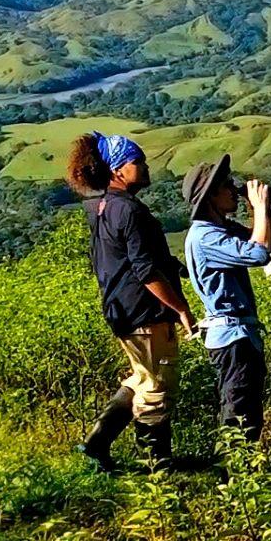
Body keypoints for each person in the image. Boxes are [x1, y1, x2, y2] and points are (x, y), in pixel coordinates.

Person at [66, 132, 194, 471]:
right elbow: (145, 268)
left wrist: (179, 270)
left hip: (119, 309)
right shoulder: (130, 211)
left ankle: (97, 442)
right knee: (156, 387)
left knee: (140, 376)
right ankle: (157, 465)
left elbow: (123, 259)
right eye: (137, 162)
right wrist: (180, 308)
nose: (145, 167)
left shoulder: (101, 208)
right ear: (117, 170)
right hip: (144, 311)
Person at [181, 155, 271, 445]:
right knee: (238, 411)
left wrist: (264, 213)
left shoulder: (221, 230)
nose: (233, 190)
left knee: (248, 408)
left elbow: (270, 246)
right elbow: (258, 254)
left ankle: (242, 472)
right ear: (211, 196)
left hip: (241, 335)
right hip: (231, 338)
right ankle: (233, 475)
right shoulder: (205, 237)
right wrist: (259, 207)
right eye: (227, 186)